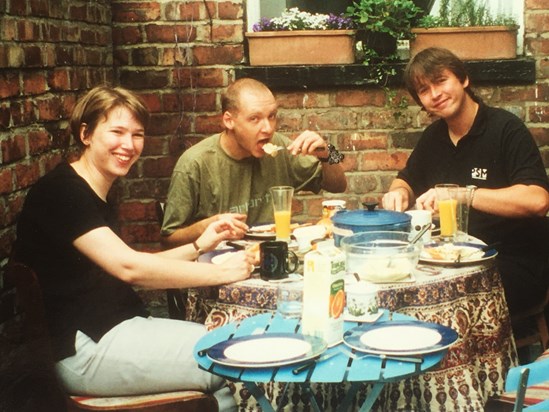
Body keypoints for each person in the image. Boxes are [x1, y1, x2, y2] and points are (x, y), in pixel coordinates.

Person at [14, 85, 255, 411]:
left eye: (137, 135)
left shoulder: (91, 191)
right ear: (86, 134)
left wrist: (200, 244)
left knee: (236, 350)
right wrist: (222, 271)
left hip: (115, 332)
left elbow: (131, 267)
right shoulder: (63, 192)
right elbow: (131, 268)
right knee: (235, 357)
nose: (128, 145)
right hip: (85, 350)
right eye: (117, 132)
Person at [382, 47, 549, 316]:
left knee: (438, 297)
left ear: (463, 79)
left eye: (440, 81)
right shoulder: (434, 137)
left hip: (512, 261)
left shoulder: (505, 128)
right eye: (424, 90)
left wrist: (463, 195)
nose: (435, 94)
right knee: (392, 282)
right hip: (451, 259)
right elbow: (405, 180)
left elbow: (538, 200)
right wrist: (397, 193)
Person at [161, 78, 347, 248]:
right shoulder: (194, 163)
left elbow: (338, 185)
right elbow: (168, 239)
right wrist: (208, 225)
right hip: (215, 266)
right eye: (254, 119)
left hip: (272, 254)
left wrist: (327, 151)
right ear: (229, 121)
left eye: (272, 116)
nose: (267, 128)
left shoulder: (279, 146)